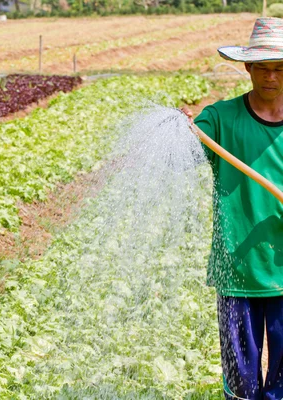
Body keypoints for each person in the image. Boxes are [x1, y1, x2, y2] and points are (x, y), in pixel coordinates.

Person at [185, 17, 283, 400]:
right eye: (263, 68)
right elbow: (190, 141)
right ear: (248, 68)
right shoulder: (221, 119)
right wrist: (182, 127)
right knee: (241, 385)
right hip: (237, 272)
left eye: (279, 69)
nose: (271, 78)